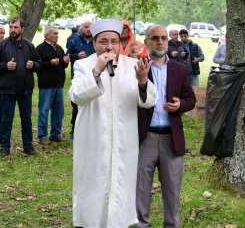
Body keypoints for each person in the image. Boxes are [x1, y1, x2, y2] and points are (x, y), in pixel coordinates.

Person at [68, 18, 158, 228]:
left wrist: (143, 82)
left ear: (120, 43)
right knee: (91, 195)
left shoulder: (132, 65)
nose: (109, 46)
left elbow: (149, 101)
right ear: (94, 43)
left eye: (114, 41)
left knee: (120, 197)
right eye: (104, 41)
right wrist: (97, 69)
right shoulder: (82, 65)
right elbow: (77, 95)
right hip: (92, 146)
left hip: (123, 146)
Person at [136, 25, 196, 228]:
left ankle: (171, 225)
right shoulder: (137, 67)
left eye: (163, 38)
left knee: (172, 189)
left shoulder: (179, 69)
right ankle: (142, 224)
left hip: (172, 137)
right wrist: (142, 83)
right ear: (146, 42)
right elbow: (129, 100)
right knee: (141, 188)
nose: (160, 42)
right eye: (154, 38)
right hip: (145, 137)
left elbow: (191, 99)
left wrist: (180, 105)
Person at [0, 17, 41, 158]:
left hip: (25, 89)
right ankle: (5, 148)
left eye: (16, 27)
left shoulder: (29, 46)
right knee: (7, 119)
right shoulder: (1, 45)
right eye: (11, 27)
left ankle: (28, 146)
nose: (13, 30)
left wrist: (33, 65)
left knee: (26, 119)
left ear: (22, 29)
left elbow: (39, 63)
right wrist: (5, 66)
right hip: (8, 89)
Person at [36, 27, 70, 145]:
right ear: (47, 36)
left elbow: (62, 66)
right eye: (55, 33)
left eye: (57, 33)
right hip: (46, 85)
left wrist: (65, 62)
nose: (57, 35)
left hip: (59, 85)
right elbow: (37, 66)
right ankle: (42, 135)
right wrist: (49, 63)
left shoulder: (59, 48)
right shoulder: (40, 49)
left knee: (58, 111)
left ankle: (55, 133)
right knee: (44, 110)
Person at [66, 21, 95, 140]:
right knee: (77, 105)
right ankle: (75, 130)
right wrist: (76, 56)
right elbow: (67, 55)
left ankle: (92, 130)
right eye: (86, 27)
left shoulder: (97, 41)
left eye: (90, 27)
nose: (88, 29)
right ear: (81, 29)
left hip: (95, 77)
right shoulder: (75, 41)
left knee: (94, 104)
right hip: (78, 78)